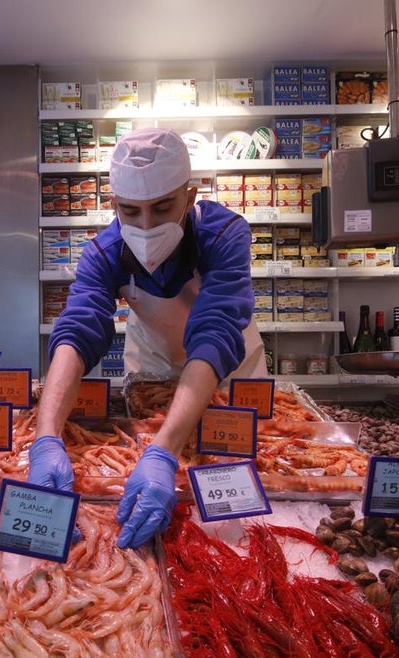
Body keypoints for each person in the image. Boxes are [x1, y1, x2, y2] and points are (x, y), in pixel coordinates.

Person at [28, 126, 265, 549]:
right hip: (153, 363)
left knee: (237, 466)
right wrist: (45, 439)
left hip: (229, 366)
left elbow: (215, 330)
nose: (146, 225)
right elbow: (78, 330)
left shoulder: (224, 234)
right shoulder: (103, 252)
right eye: (132, 212)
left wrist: (163, 452)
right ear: (114, 204)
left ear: (189, 198)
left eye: (161, 208)